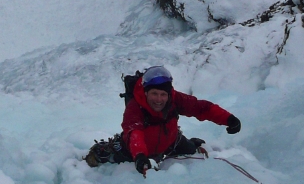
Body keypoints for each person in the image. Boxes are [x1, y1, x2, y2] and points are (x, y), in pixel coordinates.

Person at [84, 65, 241, 176]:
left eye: (163, 94)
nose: (159, 100)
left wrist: (228, 119)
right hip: (133, 149)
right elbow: (134, 133)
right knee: (107, 155)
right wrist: (139, 155)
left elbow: (201, 108)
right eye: (154, 94)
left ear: (169, 93)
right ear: (146, 93)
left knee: (190, 150)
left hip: (170, 142)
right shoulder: (135, 107)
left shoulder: (175, 98)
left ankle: (192, 143)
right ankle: (101, 150)